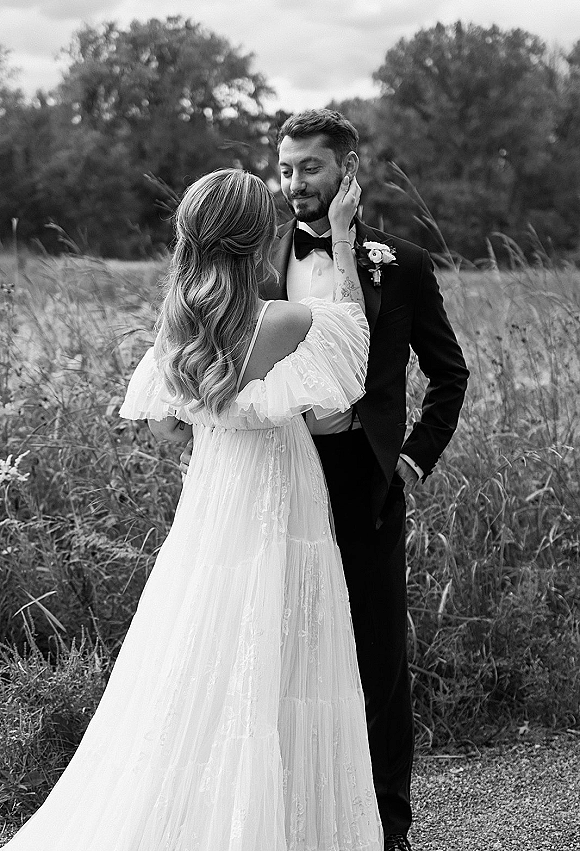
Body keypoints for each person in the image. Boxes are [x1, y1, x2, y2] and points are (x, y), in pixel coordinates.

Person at [3, 169, 383, 851]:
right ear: (261, 237)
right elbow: (353, 344)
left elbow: (167, 429)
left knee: (203, 638)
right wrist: (346, 239)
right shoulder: (288, 320)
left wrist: (224, 408)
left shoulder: (178, 321)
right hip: (278, 491)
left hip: (214, 498)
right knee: (285, 647)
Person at [183, 111, 469, 850]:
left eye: (309, 167)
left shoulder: (399, 261)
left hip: (362, 477)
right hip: (276, 470)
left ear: (347, 166)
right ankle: (289, 816)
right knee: (275, 642)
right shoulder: (254, 256)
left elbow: (448, 373)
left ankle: (387, 823)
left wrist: (410, 457)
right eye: (284, 168)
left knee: (375, 653)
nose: (293, 183)